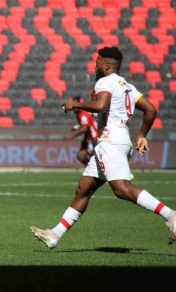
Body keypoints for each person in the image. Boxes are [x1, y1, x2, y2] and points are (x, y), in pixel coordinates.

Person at [31, 46, 176, 248]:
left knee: (122, 190)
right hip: (117, 141)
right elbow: (150, 109)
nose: (94, 66)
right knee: (84, 189)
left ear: (106, 65)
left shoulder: (104, 82)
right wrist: (141, 134)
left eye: (97, 62)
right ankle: (55, 234)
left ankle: (170, 215)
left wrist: (75, 105)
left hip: (111, 142)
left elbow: (101, 106)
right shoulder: (127, 86)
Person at [63, 92, 98, 166]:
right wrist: (77, 127)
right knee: (81, 156)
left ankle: (96, 172)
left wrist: (71, 136)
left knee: (92, 158)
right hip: (91, 138)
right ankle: (95, 172)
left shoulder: (83, 113)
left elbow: (85, 128)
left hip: (94, 138)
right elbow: (86, 125)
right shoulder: (81, 114)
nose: (74, 108)